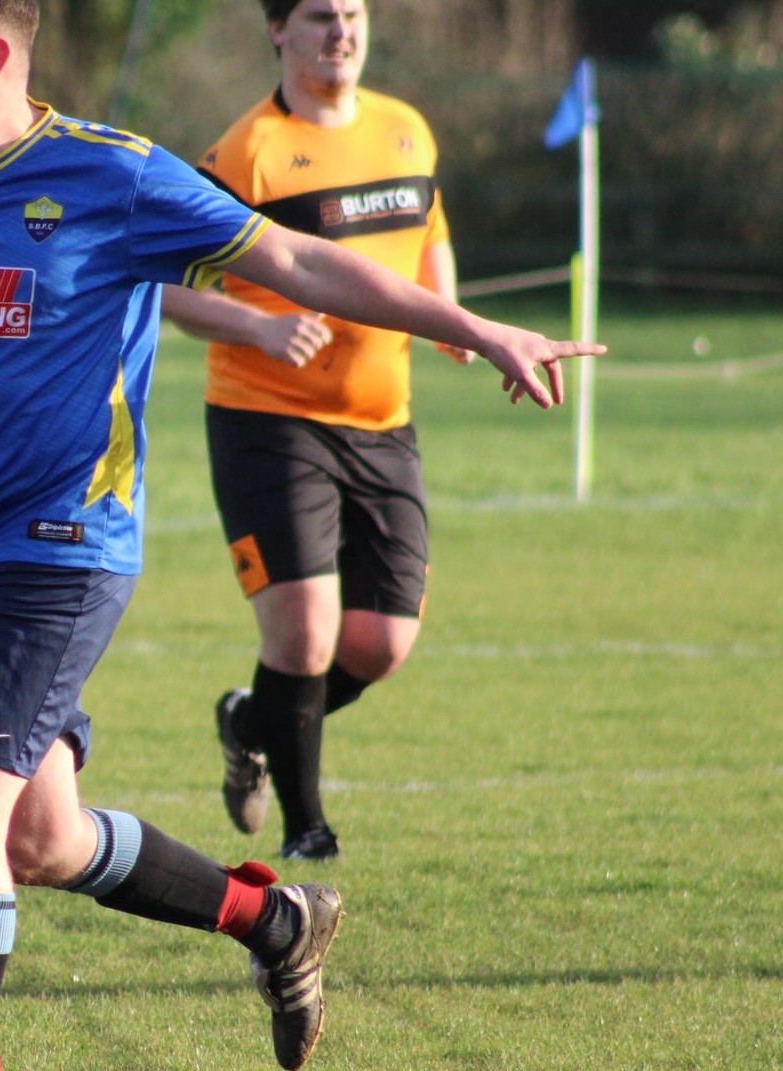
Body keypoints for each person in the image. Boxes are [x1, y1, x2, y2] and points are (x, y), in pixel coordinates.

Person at [0, 1, 597, 1068]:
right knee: (40, 838)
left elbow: (300, 263)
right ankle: (279, 924)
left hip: (62, 546)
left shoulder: (117, 175)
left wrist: (474, 326)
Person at [161, 0, 471, 862]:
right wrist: (255, 326)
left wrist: (447, 315)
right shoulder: (244, 152)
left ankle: (249, 719)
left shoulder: (407, 130)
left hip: (382, 423)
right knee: (302, 633)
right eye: (319, 14)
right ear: (276, 31)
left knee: (380, 644)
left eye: (353, 12)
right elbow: (165, 283)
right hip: (269, 418)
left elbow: (428, 235)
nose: (342, 30)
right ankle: (308, 835)